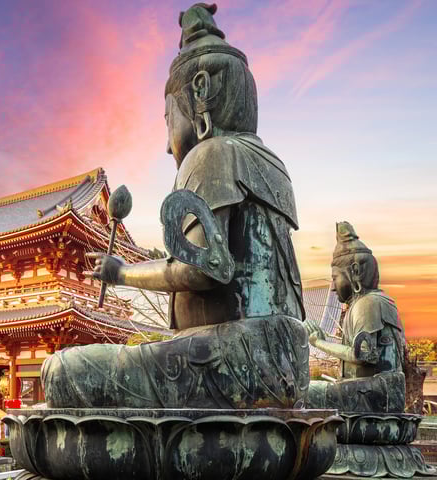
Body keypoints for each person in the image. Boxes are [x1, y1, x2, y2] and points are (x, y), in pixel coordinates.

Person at [41, 2, 308, 410]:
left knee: (62, 371)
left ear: (199, 91)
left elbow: (205, 268)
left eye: (168, 120)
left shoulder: (212, 153)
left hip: (238, 359)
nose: (168, 144)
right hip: (285, 358)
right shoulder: (273, 164)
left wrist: (120, 272)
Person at [305, 222, 405, 412]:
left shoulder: (368, 303)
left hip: (378, 395)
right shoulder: (365, 303)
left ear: (356, 272)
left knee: (303, 393)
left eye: (335, 278)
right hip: (375, 392)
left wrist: (318, 342)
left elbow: (364, 354)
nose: (333, 287)